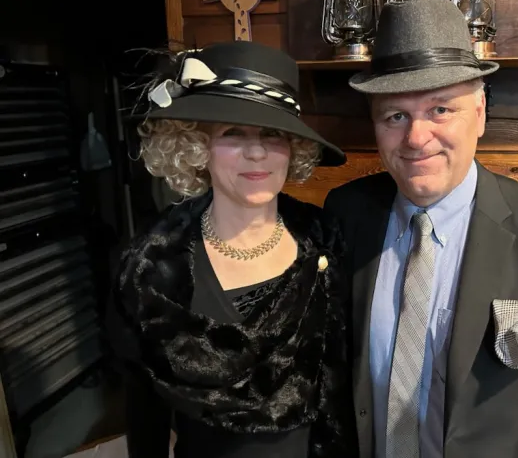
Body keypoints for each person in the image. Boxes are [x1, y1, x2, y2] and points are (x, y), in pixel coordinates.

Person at [323, 0, 518, 458]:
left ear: (480, 112)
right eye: (395, 115)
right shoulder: (346, 213)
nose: (416, 138)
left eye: (441, 110)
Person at [105, 41, 357, 458]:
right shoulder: (151, 266)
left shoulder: (327, 241)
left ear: (293, 148)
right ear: (197, 145)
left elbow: (343, 389)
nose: (256, 152)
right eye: (233, 132)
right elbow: (143, 405)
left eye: (273, 134)